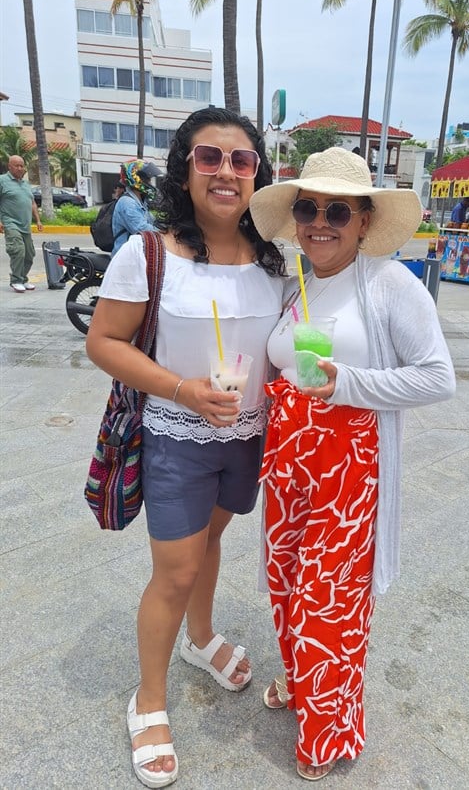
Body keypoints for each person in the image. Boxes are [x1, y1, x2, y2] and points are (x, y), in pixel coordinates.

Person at [86, 107, 286, 789]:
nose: (227, 171)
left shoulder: (275, 261)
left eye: (241, 160)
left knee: (209, 543)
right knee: (173, 569)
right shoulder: (148, 254)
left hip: (248, 438)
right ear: (186, 167)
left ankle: (200, 640)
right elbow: (103, 343)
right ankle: (147, 698)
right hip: (178, 437)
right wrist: (181, 389)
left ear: (258, 173)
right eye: (210, 157)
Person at [248, 148, 456, 781]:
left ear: (364, 220)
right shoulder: (296, 283)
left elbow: (437, 378)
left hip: (349, 477)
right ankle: (303, 684)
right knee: (286, 587)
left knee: (330, 603)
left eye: (337, 210)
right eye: (308, 208)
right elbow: (281, 365)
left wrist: (346, 383)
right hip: (288, 469)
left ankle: (329, 733)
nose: (320, 222)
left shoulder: (391, 284)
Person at [0, 155, 43, 292]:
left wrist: (38, 220)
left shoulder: (25, 184)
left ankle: (23, 278)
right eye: (16, 165)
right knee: (18, 250)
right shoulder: (2, 181)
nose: (20, 168)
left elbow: (32, 203)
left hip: (25, 225)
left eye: (22, 165)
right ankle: (16, 280)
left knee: (30, 254)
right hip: (10, 222)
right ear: (9, 166)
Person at [111, 159, 161, 255]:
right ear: (136, 179)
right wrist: (166, 235)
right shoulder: (127, 203)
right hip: (125, 260)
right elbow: (143, 229)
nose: (150, 183)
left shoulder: (140, 202)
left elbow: (153, 222)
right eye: (147, 179)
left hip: (138, 256)